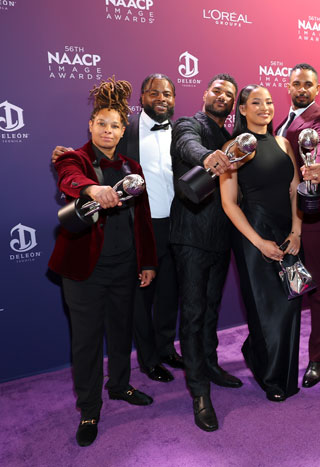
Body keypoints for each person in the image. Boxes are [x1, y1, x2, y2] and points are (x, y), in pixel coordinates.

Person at [53, 73, 182, 384]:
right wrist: (87, 184)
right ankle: (99, 402)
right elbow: (77, 168)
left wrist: (148, 261)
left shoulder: (171, 139)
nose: (161, 97)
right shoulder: (98, 145)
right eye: (154, 92)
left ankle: (144, 366)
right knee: (109, 325)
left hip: (156, 241)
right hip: (111, 246)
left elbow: (144, 217)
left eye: (167, 93)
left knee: (146, 312)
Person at [48, 77, 157, 447]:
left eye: (115, 125)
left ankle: (121, 386)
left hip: (125, 266)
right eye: (102, 124)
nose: (108, 131)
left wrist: (148, 262)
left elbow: (142, 220)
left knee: (121, 331)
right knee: (88, 341)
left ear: (122, 129)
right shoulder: (73, 158)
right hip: (84, 272)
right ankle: (90, 408)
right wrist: (92, 188)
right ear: (91, 125)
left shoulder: (132, 167)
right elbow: (69, 178)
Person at [221, 84, 318, 402]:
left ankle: (274, 366)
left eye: (269, 102)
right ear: (243, 110)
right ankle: (271, 378)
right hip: (253, 238)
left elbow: (295, 189)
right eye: (255, 102)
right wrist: (258, 242)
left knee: (290, 306)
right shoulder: (234, 147)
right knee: (265, 312)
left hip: (287, 235)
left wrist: (297, 230)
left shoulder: (282, 143)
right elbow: (229, 203)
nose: (264, 107)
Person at [170, 73, 243, 432]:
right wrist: (209, 156)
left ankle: (210, 365)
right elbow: (187, 145)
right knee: (194, 313)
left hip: (221, 237)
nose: (222, 96)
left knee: (211, 308)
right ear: (205, 93)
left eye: (229, 94)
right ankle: (199, 391)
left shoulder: (232, 139)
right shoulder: (188, 124)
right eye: (217, 90)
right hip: (190, 236)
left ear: (232, 105)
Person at [275, 63, 320, 388]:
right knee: (289, 288)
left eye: (307, 84)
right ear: (288, 85)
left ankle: (316, 359)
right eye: (296, 83)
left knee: (318, 292)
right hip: (283, 218)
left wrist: (319, 168)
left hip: (312, 217)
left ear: (317, 87)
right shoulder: (280, 121)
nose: (301, 88)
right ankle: (284, 352)